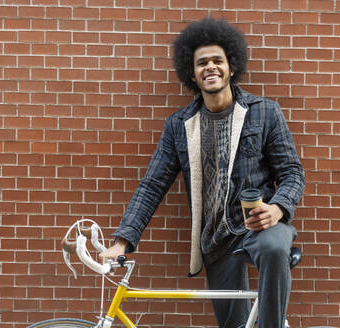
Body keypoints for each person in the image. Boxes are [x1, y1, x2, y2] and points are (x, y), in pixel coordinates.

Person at [99, 18, 305, 328]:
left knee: (275, 248)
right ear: (192, 74)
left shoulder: (264, 112)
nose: (210, 67)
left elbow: (292, 173)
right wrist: (122, 243)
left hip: (259, 229)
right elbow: (152, 186)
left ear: (231, 66)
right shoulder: (179, 125)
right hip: (216, 242)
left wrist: (277, 208)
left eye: (217, 60)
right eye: (202, 63)